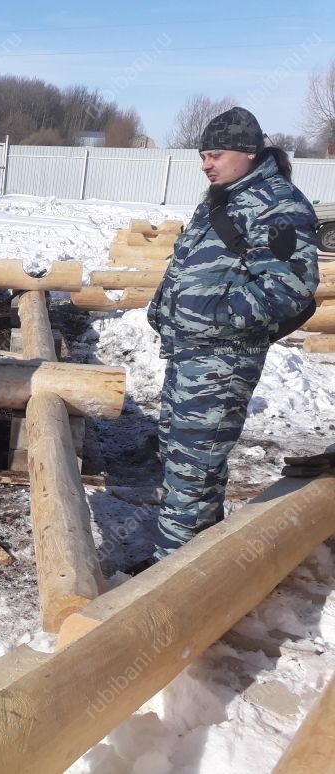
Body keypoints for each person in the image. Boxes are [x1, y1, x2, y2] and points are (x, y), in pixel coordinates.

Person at [146, 106, 319, 561]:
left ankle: (168, 584)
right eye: (203, 154)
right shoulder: (223, 197)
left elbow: (291, 288)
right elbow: (193, 264)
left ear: (247, 152)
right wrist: (163, 306)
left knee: (193, 469)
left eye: (215, 154)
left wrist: (212, 313)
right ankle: (194, 562)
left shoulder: (277, 203)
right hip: (189, 352)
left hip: (223, 359)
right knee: (180, 458)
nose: (206, 163)